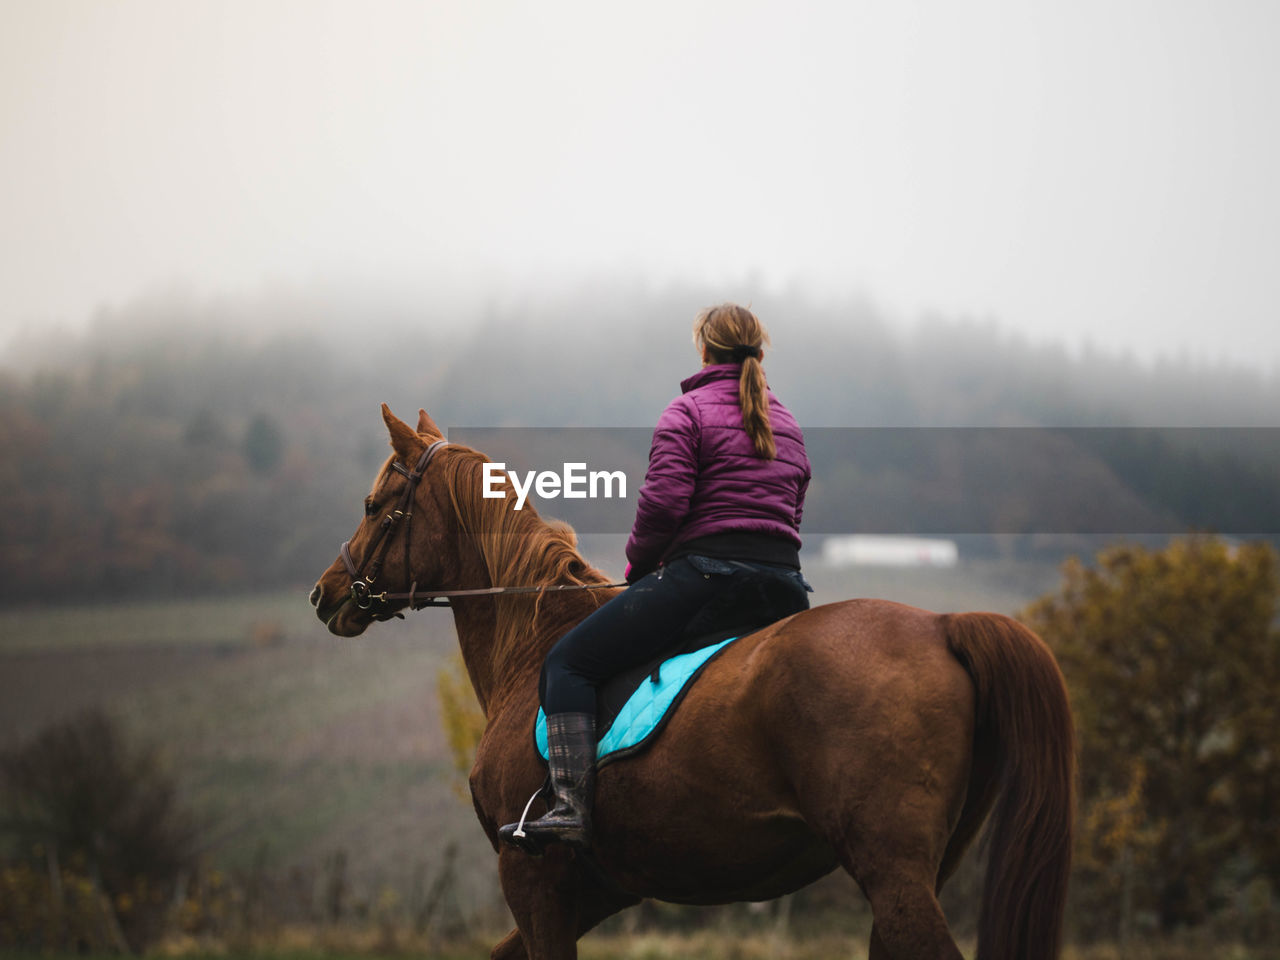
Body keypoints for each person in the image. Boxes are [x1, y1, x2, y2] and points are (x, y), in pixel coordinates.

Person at [499, 303, 812, 853]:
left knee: (568, 662)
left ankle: (570, 808)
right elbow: (792, 511)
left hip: (708, 581)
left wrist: (639, 572)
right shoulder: (786, 422)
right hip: (783, 588)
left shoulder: (686, 412)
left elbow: (663, 508)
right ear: (759, 352)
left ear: (703, 349)